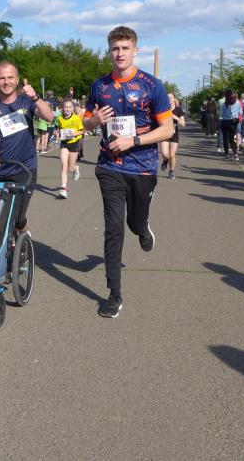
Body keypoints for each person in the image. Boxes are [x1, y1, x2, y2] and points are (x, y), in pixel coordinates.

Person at [83, 26, 173, 319]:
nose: (119, 54)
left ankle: (143, 228)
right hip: (110, 166)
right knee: (113, 228)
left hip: (143, 167)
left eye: (125, 48)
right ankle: (114, 293)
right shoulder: (99, 86)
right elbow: (85, 122)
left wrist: (132, 141)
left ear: (135, 50)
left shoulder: (151, 85)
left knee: (134, 223)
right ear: (108, 51)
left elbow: (167, 129)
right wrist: (94, 121)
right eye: (115, 48)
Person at [0, 62, 54, 232]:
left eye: (10, 77)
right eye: (2, 78)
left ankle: (24, 238)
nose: (6, 82)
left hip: (25, 169)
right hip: (1, 170)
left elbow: (49, 117)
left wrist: (35, 98)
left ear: (17, 79)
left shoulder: (26, 102)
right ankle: (6, 246)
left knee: (17, 218)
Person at [54, 98, 84, 199]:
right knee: (64, 166)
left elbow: (82, 131)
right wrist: (57, 133)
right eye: (65, 107)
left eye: (69, 107)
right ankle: (64, 189)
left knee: (71, 168)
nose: (67, 109)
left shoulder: (76, 118)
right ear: (62, 108)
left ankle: (76, 168)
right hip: (64, 143)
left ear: (72, 108)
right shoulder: (59, 118)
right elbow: (58, 129)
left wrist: (74, 133)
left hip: (74, 143)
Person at [160, 93, 186, 179]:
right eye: (167, 97)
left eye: (171, 97)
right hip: (164, 133)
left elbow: (183, 124)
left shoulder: (178, 110)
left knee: (172, 155)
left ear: (174, 99)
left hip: (174, 134)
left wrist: (176, 117)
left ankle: (171, 171)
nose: (169, 99)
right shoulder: (163, 109)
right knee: (165, 154)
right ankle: (165, 160)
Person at [220, 90, 242, 160]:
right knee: (231, 139)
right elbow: (240, 112)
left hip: (225, 122)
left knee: (225, 139)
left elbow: (221, 114)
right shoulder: (237, 102)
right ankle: (236, 154)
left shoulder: (224, 104)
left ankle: (226, 154)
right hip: (233, 122)